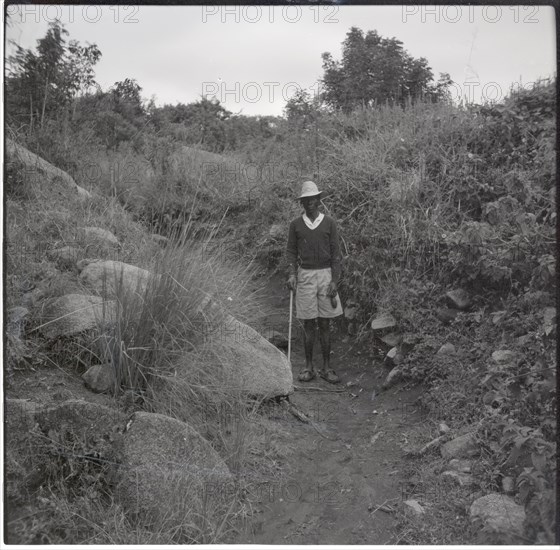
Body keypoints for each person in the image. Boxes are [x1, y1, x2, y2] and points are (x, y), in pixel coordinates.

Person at [286, 181, 343, 384]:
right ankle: (309, 367)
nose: (309, 203)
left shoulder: (329, 223)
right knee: (308, 324)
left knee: (325, 323)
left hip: (326, 275)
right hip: (306, 276)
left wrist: (335, 280)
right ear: (302, 203)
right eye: (305, 200)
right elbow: (291, 252)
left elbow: (336, 253)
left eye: (313, 199)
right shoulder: (296, 225)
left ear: (319, 200)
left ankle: (327, 367)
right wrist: (292, 274)